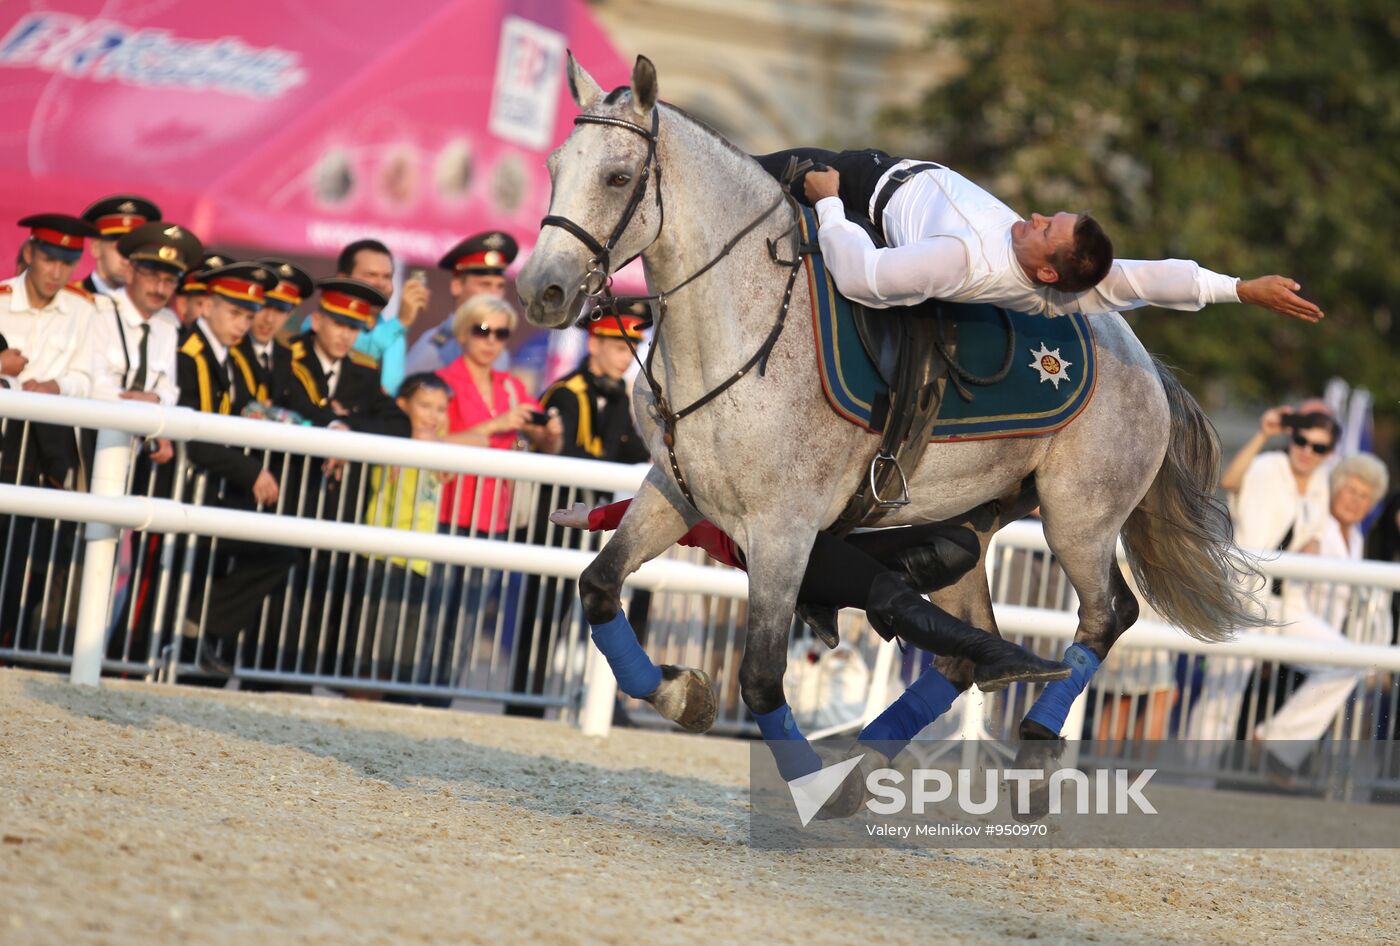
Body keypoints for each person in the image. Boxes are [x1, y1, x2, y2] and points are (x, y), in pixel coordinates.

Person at [754, 149, 1323, 322]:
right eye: (1056, 216)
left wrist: (830, 202)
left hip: (864, 185)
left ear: (1048, 270)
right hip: (892, 181)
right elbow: (1154, 277)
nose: (1038, 215)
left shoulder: (961, 260)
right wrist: (1243, 288)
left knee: (736, 173)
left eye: (1048, 229)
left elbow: (865, 280)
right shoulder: (1078, 287)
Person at [552, 496, 1068, 685]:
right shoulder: (695, 486)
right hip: (779, 554)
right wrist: (596, 518)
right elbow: (649, 507)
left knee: (958, 545)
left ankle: (840, 597)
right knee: (887, 590)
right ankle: (990, 652)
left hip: (817, 534)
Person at [174, 262, 303, 675]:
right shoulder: (188, 352)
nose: (243, 324)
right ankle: (175, 642)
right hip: (182, 488)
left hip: (213, 488)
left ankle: (199, 629)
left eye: (248, 316)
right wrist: (251, 471)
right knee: (162, 587)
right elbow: (192, 434)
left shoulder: (229, 357)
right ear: (206, 305)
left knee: (278, 551)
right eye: (234, 313)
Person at [1186, 401, 1340, 746]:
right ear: (1292, 438)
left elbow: (1311, 531)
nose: (1306, 452)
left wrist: (1313, 543)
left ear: (1329, 453)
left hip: (1288, 605)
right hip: (1246, 594)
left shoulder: (1320, 482)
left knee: (1345, 662)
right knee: (1221, 697)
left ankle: (1276, 741)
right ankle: (1193, 782)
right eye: (1301, 441)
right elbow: (1230, 481)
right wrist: (1263, 435)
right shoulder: (1270, 465)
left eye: (1318, 447)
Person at [0, 213, 101, 644]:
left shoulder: (83, 309)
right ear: (29, 254)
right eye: (50, 259)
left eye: (68, 261)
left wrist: (55, 385)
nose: (58, 271)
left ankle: (10, 638)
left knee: (36, 550)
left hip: (47, 451)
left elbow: (90, 378)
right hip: (5, 440)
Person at [1253, 453, 1389, 773]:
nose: (1356, 502)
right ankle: (1274, 742)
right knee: (1347, 663)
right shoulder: (1317, 524)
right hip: (1293, 616)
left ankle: (1282, 752)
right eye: (1351, 491)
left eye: (1365, 497)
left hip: (1326, 632)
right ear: (1335, 489)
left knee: (1346, 668)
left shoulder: (1357, 538)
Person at [360, 372, 453, 686]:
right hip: (386, 554)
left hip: (420, 558)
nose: (433, 416)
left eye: (440, 409)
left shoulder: (441, 446)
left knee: (402, 648)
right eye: (424, 406)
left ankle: (381, 702)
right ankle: (362, 700)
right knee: (376, 647)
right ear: (401, 406)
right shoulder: (393, 437)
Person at [88, 222, 204, 464]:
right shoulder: (98, 311)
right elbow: (93, 385)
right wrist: (145, 410)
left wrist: (156, 402)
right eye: (152, 276)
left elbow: (169, 391)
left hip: (133, 451)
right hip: (88, 442)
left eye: (170, 280)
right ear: (130, 272)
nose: (160, 289)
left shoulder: (167, 323)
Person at [310, 239, 430, 397]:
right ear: (343, 279)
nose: (381, 284)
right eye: (371, 275)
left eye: (387, 277)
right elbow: (359, 350)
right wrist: (401, 322)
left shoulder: (396, 334)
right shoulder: (320, 323)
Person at [403, 231, 517, 375]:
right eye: (485, 285)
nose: (494, 295)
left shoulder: (500, 352)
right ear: (457, 286)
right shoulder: (436, 349)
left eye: (500, 286)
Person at [237, 258, 311, 404]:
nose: (269, 319)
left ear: (289, 314)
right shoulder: (231, 348)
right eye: (264, 306)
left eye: (280, 310)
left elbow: (299, 405)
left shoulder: (286, 355)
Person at [79, 194, 160, 297]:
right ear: (95, 248)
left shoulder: (148, 304)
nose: (127, 260)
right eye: (119, 249)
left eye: (133, 250)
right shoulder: (72, 298)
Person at [173, 252, 237, 329]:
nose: (208, 313)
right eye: (201, 304)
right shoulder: (169, 337)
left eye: (215, 306)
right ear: (182, 305)